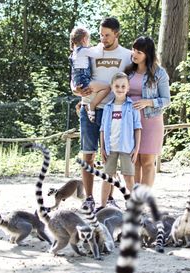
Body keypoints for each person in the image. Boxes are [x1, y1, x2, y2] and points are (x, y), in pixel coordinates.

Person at [73, 17, 132, 210]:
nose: (103, 38)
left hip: (113, 110)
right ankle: (89, 197)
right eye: (101, 35)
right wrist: (77, 91)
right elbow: (76, 77)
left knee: (110, 156)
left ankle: (109, 197)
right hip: (89, 107)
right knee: (87, 154)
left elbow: (131, 83)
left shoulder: (127, 55)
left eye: (107, 35)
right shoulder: (91, 52)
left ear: (117, 33)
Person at [125, 36, 171, 187]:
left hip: (151, 121)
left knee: (147, 161)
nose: (134, 54)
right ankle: (135, 198)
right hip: (130, 120)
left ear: (148, 54)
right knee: (134, 160)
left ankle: (144, 199)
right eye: (134, 50)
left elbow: (166, 100)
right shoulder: (128, 71)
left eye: (139, 52)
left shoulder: (159, 73)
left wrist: (148, 102)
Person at [95, 72, 141, 212]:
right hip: (110, 148)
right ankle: (102, 206)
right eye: (117, 86)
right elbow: (102, 129)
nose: (120, 89)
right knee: (107, 177)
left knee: (128, 177)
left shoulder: (132, 106)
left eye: (123, 86)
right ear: (112, 87)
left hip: (127, 148)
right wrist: (102, 148)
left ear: (127, 88)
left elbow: (137, 127)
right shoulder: (108, 107)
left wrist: (136, 149)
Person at [69, 27, 110, 121]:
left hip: (78, 82)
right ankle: (91, 106)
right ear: (84, 39)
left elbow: (72, 75)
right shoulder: (83, 51)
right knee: (107, 87)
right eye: (88, 39)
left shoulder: (73, 54)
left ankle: (90, 107)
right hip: (85, 82)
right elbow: (99, 54)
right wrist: (100, 45)